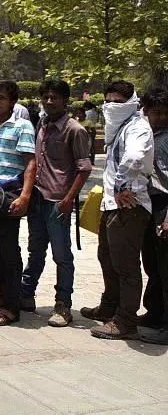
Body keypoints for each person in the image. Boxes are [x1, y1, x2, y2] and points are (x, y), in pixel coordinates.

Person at [82, 81, 154, 340]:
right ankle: (110, 306)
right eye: (109, 100)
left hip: (129, 204)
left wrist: (122, 183)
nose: (113, 105)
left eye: (119, 101)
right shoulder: (120, 127)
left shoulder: (137, 127)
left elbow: (134, 157)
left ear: (132, 102)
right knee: (107, 258)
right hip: (112, 204)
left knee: (125, 266)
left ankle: (126, 321)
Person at [19, 79, 93, 327]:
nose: (50, 101)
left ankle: (63, 304)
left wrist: (69, 199)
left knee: (62, 255)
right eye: (46, 97)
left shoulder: (75, 130)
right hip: (38, 198)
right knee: (35, 250)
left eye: (55, 97)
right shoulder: (41, 123)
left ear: (65, 101)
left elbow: (84, 169)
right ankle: (26, 295)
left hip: (58, 201)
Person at [0, 79, 36, 327]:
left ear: (12, 101)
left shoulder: (22, 126)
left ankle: (12, 306)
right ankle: (5, 296)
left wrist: (25, 196)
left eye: (2, 97)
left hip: (10, 197)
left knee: (10, 253)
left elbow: (29, 163)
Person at [139, 86, 168, 345]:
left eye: (162, 113)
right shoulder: (146, 135)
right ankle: (154, 312)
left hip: (164, 205)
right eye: (153, 112)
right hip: (147, 204)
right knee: (152, 264)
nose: (157, 117)